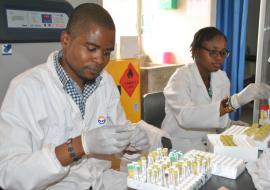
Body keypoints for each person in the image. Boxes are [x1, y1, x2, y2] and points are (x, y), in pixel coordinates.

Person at [0, 3, 150, 190]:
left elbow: (116, 137)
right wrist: (80, 145)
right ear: (65, 40)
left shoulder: (105, 83)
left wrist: (129, 145)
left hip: (102, 183)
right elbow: (9, 174)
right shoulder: (25, 89)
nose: (100, 60)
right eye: (91, 48)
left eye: (106, 53)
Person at [161, 26, 270, 152]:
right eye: (213, 51)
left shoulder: (221, 78)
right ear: (196, 51)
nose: (219, 58)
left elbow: (215, 115)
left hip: (209, 143)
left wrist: (230, 125)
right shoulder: (180, 78)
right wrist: (236, 101)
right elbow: (187, 117)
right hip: (178, 146)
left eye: (223, 52)